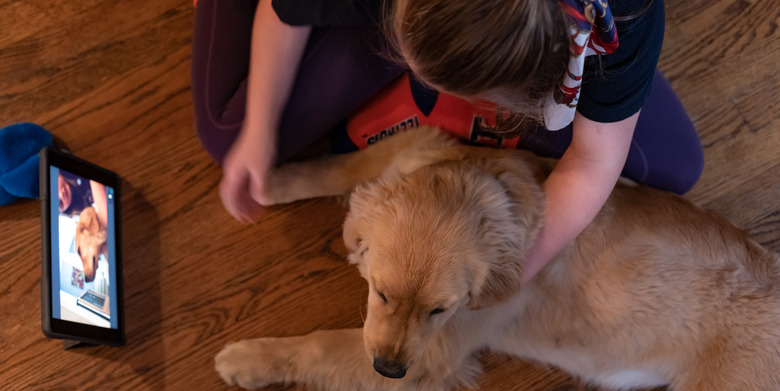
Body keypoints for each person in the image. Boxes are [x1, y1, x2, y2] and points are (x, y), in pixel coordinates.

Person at [191, 0, 704, 282]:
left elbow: (595, 159)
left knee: (676, 168)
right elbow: (282, 11)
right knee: (228, 136)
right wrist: (258, 130)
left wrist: (515, 269)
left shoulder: (626, 16)